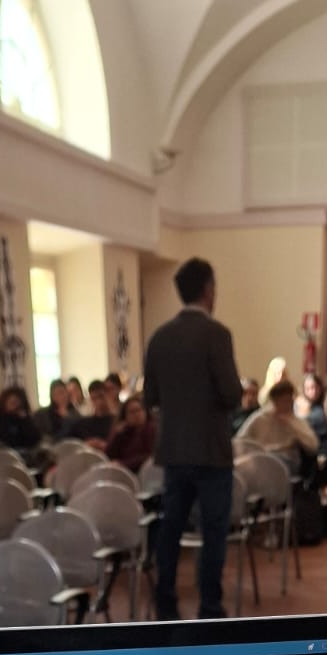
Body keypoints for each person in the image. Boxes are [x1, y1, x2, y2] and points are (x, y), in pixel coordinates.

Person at [143, 256, 242, 619]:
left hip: (173, 451)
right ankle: (209, 608)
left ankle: (166, 602)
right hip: (211, 452)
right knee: (212, 532)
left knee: (171, 528)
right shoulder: (217, 334)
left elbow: (150, 397)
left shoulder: (160, 337)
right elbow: (231, 394)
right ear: (208, 289)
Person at [0, 386, 42, 454]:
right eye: (13, 401)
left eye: (18, 402)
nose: (15, 405)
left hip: (17, 453)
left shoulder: (18, 418)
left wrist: (25, 420)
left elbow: (34, 441)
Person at [105, 394, 157, 473]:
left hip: (145, 473)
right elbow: (109, 455)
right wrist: (117, 435)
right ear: (125, 416)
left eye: (140, 410)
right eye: (132, 412)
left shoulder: (151, 429)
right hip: (122, 472)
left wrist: (123, 464)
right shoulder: (124, 432)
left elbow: (149, 456)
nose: (137, 414)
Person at [66, 379, 117, 447]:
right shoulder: (84, 424)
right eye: (94, 398)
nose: (99, 402)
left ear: (108, 395)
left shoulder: (116, 421)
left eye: (101, 397)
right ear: (91, 399)